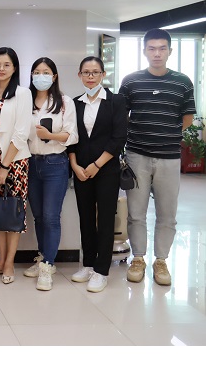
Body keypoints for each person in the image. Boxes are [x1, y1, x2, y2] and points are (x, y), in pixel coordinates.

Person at [119, 28, 195, 286]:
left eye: (162, 48)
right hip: (137, 156)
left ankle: (161, 261)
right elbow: (122, 116)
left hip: (169, 158)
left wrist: (167, 135)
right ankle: (138, 258)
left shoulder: (183, 82)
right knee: (135, 213)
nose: (157, 53)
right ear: (144, 51)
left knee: (167, 214)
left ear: (170, 51)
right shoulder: (131, 82)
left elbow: (187, 118)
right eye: (152, 48)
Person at [68, 56, 127, 293]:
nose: (90, 76)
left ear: (103, 74)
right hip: (81, 170)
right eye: (86, 72)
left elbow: (119, 137)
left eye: (95, 72)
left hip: (106, 170)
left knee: (105, 219)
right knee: (85, 218)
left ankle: (101, 271)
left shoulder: (116, 101)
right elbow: (71, 137)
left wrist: (97, 165)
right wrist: (75, 165)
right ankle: (88, 264)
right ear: (79, 75)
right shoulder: (75, 103)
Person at [23, 57, 78, 291]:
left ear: (54, 76)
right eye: (36, 72)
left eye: (46, 72)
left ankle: (48, 265)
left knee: (51, 216)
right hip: (30, 163)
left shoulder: (64, 102)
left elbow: (72, 136)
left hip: (55, 163)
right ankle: (43, 256)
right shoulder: (25, 100)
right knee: (37, 216)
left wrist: (50, 135)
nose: (41, 76)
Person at [0, 47, 32, 284]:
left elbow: (21, 133)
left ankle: (10, 263)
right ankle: (0, 262)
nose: (1, 69)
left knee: (12, 211)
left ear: (14, 68)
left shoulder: (22, 93)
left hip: (15, 162)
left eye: (6, 65)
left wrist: (4, 166)